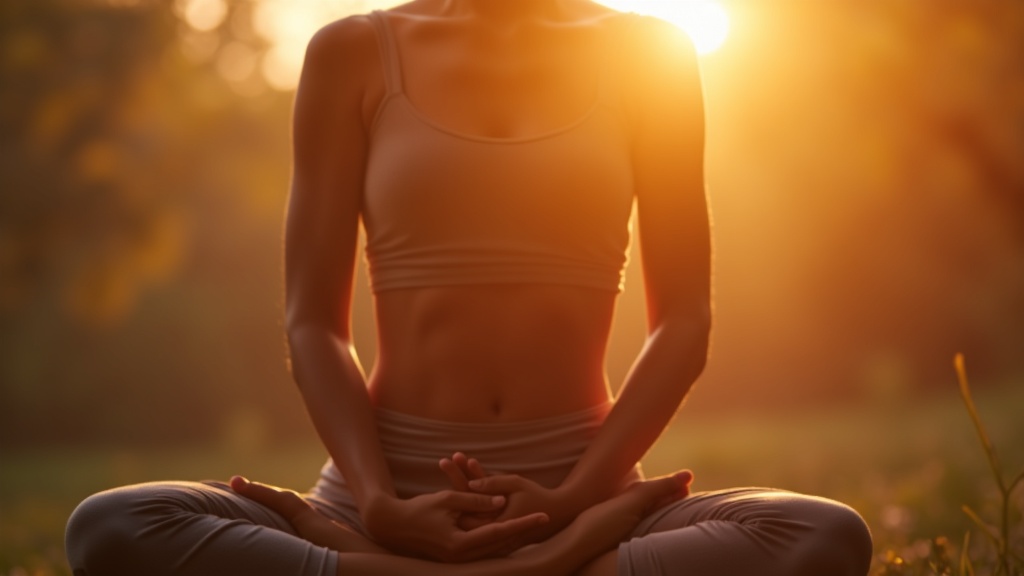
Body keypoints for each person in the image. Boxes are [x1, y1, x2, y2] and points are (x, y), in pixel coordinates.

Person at [65, 1, 873, 574]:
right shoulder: (352, 51)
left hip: (585, 502)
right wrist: (377, 505)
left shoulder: (651, 52)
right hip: (381, 506)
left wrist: (572, 506)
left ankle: (381, 572)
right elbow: (313, 322)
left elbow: (685, 321)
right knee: (112, 527)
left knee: (820, 535)